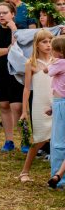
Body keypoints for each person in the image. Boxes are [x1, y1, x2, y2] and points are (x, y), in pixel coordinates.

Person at [0, 1, 25, 153]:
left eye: (5, 13)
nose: (1, 16)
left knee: (18, 106)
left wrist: (13, 28)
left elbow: (18, 47)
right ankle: (9, 140)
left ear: (13, 14)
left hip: (15, 73)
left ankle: (25, 139)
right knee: (4, 106)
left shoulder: (20, 30)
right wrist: (7, 50)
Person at [18, 29, 54, 182]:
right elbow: (27, 88)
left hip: (56, 103)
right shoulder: (31, 63)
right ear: (37, 45)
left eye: (50, 41)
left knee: (59, 138)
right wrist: (24, 110)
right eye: (44, 42)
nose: (48, 45)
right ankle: (24, 171)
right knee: (40, 139)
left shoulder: (57, 61)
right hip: (40, 104)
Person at [47, 35, 65, 188]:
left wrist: (51, 62)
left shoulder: (60, 62)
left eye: (52, 49)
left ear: (59, 52)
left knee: (58, 142)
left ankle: (59, 177)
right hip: (59, 103)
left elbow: (48, 71)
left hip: (61, 104)